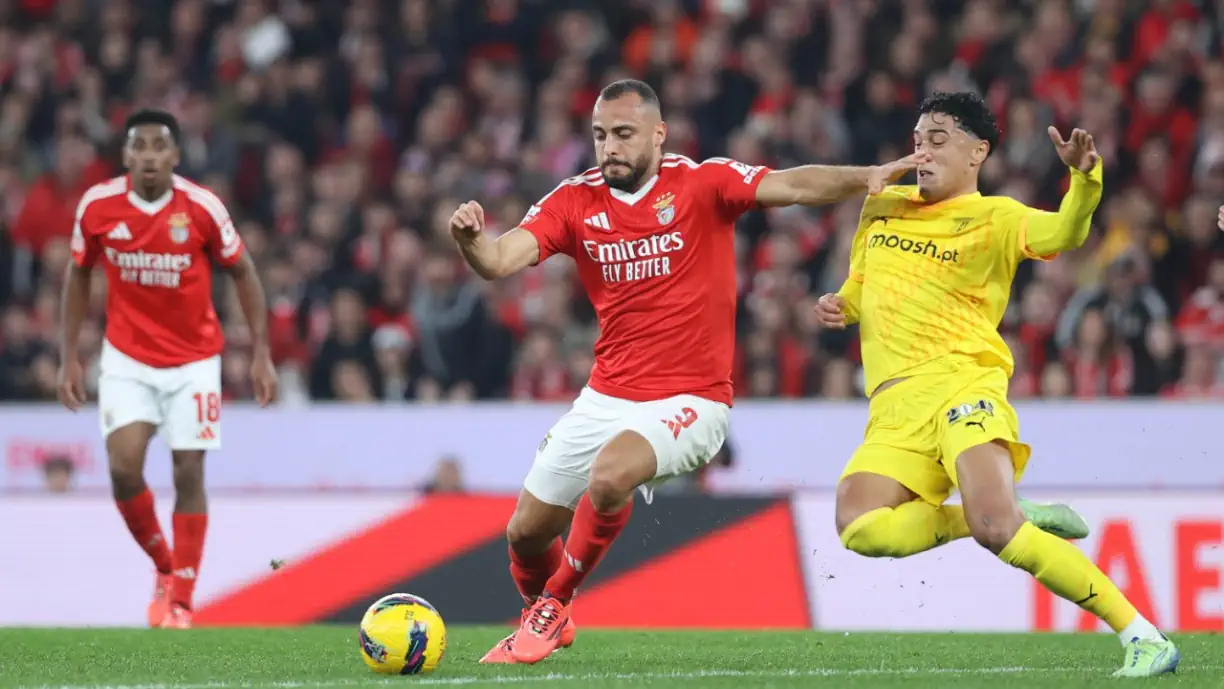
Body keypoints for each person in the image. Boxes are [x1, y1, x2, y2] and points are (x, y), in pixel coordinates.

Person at [451, 78, 928, 665]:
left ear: (658, 134)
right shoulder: (574, 201)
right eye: (600, 135)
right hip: (606, 396)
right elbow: (499, 261)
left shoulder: (703, 182)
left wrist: (865, 177)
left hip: (693, 400)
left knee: (609, 476)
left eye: (623, 134)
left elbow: (795, 184)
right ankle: (543, 611)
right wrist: (472, 241)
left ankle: (553, 604)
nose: (609, 148)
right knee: (525, 533)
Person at [814, 92, 1178, 677]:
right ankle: (1003, 510)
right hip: (894, 405)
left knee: (995, 530)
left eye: (938, 139)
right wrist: (843, 305)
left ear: (977, 151)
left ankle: (1143, 635)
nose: (922, 151)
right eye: (917, 139)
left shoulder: (997, 218)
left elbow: (1065, 234)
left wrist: (1084, 181)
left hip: (962, 384)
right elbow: (864, 281)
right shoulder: (883, 207)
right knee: (861, 528)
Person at [58, 109, 278, 629]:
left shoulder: (201, 208)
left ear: (176, 156)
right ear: (126, 154)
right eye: (141, 145)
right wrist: (68, 353)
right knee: (123, 467)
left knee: (188, 470)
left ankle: (181, 597)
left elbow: (243, 271)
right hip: (127, 359)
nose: (151, 155)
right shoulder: (98, 207)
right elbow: (78, 273)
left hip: (195, 361)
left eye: (161, 146)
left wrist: (262, 351)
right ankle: (164, 563)